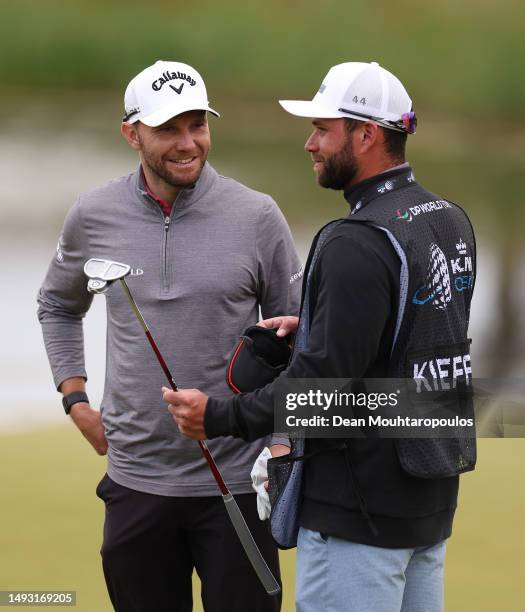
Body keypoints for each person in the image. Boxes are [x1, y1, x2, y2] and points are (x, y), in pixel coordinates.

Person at [163, 61, 477, 612]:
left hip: (357, 517)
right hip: (427, 505)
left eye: (322, 129)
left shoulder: (352, 241)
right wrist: (312, 327)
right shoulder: (450, 219)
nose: (310, 144)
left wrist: (216, 418)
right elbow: (412, 350)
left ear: (367, 134)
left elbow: (320, 391)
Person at [37, 60, 302, 612]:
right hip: (135, 481)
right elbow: (58, 304)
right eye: (168, 129)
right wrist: (75, 398)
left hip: (235, 483)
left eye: (197, 124)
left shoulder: (257, 216)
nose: (187, 143)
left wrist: (281, 443)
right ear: (131, 133)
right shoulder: (93, 214)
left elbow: (301, 337)